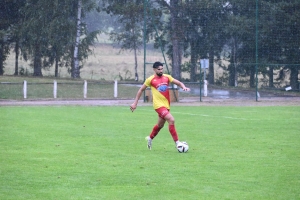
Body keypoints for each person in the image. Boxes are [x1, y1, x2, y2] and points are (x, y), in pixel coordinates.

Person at [130, 61, 190, 150]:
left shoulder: (167, 77)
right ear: (154, 70)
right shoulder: (150, 80)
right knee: (171, 120)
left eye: (162, 69)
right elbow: (141, 90)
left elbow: (178, 82)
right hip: (158, 106)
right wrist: (135, 103)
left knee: (160, 125)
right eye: (159, 69)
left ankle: (150, 139)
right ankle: (178, 143)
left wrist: (183, 87)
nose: (161, 71)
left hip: (166, 105)